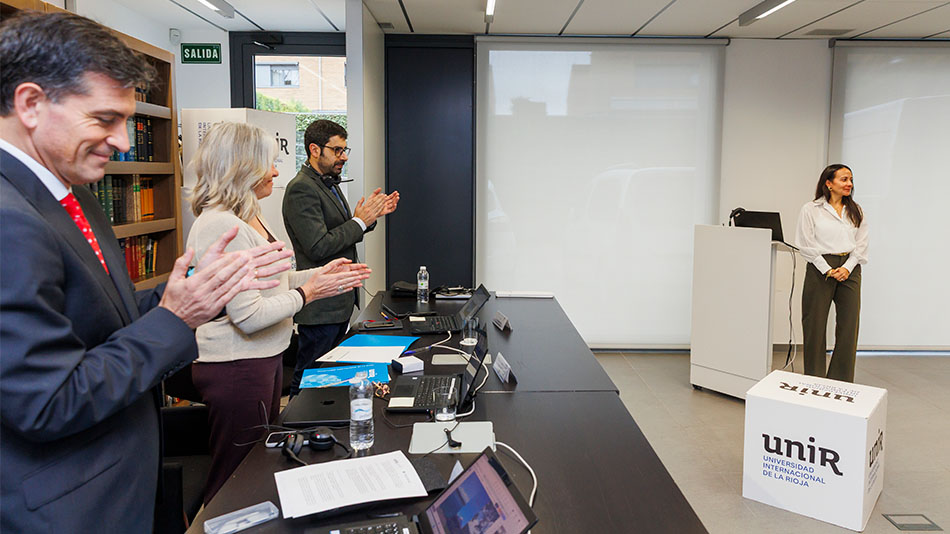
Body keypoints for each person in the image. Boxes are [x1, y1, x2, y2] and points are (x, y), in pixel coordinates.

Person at [0, 12, 292, 532]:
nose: (124, 143)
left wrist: (193, 291)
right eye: (105, 119)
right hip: (72, 506)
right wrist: (176, 316)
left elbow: (105, 326)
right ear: (30, 104)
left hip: (126, 480)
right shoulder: (9, 219)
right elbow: (47, 401)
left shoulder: (76, 199)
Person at [186, 121, 371, 503]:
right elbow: (249, 314)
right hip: (237, 367)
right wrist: (309, 291)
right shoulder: (221, 225)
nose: (274, 171)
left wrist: (320, 274)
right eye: (269, 163)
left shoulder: (244, 216)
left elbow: (274, 281)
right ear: (243, 167)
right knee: (234, 478)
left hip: (260, 360)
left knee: (257, 465)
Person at [282, 119, 399, 394]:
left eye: (345, 150)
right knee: (310, 378)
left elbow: (340, 231)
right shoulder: (302, 188)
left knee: (329, 379)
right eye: (337, 150)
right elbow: (318, 246)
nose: (343, 157)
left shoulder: (328, 183)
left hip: (338, 301)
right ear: (314, 149)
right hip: (320, 307)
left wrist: (367, 219)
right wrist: (358, 222)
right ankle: (293, 430)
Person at [795, 164, 869, 383]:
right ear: (829, 183)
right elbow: (805, 244)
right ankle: (815, 380)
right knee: (814, 325)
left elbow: (862, 244)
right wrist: (828, 269)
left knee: (849, 326)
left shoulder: (856, 210)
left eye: (851, 180)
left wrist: (847, 267)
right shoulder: (811, 209)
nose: (849, 184)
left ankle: (840, 381)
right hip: (821, 267)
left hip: (850, 268)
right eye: (844, 179)